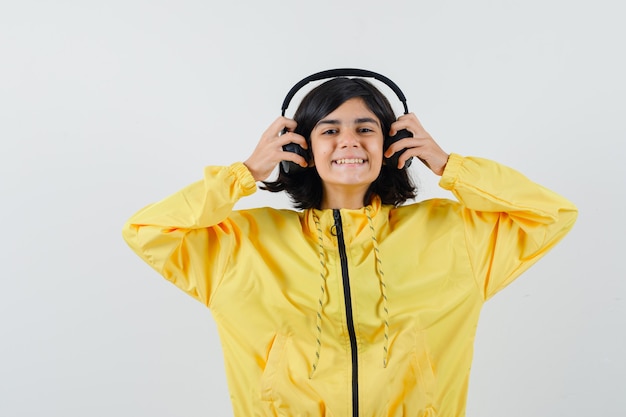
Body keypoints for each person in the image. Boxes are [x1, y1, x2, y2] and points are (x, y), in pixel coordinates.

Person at [122, 73, 577, 417]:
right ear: (301, 146)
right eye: (329, 130)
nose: (349, 142)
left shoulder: (454, 236)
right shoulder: (241, 245)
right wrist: (244, 173)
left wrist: (448, 164)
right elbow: (148, 231)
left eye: (366, 128)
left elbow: (550, 214)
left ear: (392, 142)